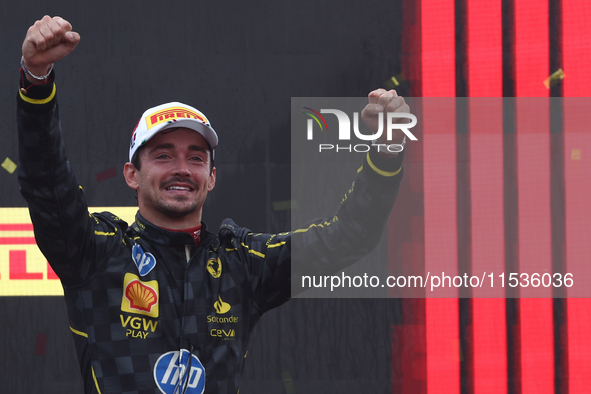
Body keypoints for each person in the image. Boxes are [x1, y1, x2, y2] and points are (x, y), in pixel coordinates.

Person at [17, 15, 408, 394]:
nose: (182, 169)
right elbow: (46, 183)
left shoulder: (242, 265)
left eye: (197, 158)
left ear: (212, 177)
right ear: (132, 175)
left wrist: (387, 154)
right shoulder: (97, 251)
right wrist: (36, 80)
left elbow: (349, 238)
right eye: (164, 155)